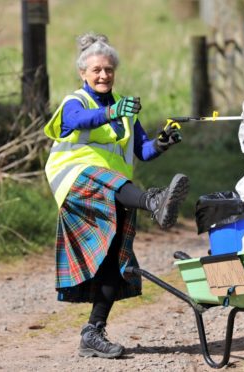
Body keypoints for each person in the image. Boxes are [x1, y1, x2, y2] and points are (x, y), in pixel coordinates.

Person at [43, 32, 188, 359]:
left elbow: (142, 150)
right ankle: (154, 202)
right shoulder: (75, 102)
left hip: (115, 190)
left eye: (108, 70)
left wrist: (163, 143)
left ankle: (92, 332)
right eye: (96, 70)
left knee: (113, 258)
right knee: (108, 180)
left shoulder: (126, 107)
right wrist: (112, 112)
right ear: (83, 73)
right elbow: (79, 121)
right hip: (76, 179)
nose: (103, 75)